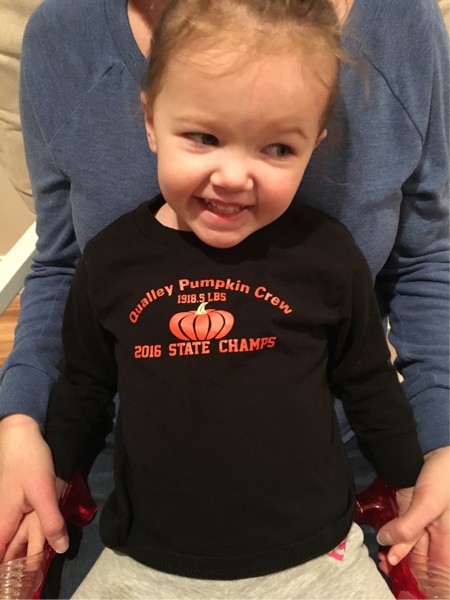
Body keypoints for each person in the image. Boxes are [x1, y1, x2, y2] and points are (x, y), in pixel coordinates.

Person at [0, 0, 448, 596]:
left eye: (278, 149)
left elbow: (370, 378)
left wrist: (422, 469)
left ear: (316, 143)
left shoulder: (329, 255)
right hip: (142, 527)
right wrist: (36, 449)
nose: (234, 177)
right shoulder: (107, 260)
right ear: (149, 121)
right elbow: (82, 380)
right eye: (204, 137)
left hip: (323, 529)